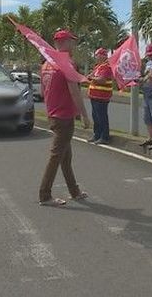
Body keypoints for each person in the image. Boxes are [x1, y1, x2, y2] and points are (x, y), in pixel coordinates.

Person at [39, 29, 91, 207]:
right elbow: (74, 91)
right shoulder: (66, 63)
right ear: (66, 43)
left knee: (65, 156)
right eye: (72, 41)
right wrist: (84, 115)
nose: (74, 45)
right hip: (64, 116)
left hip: (53, 114)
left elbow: (42, 91)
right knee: (56, 156)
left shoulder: (47, 64)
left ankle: (74, 191)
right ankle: (45, 194)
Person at [87, 48, 114, 145]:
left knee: (101, 116)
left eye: (97, 55)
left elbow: (102, 79)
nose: (96, 57)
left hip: (102, 96)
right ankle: (97, 134)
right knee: (95, 116)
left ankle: (104, 136)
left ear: (103, 56)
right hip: (94, 95)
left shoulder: (106, 67)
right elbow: (92, 76)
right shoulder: (98, 67)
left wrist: (92, 78)